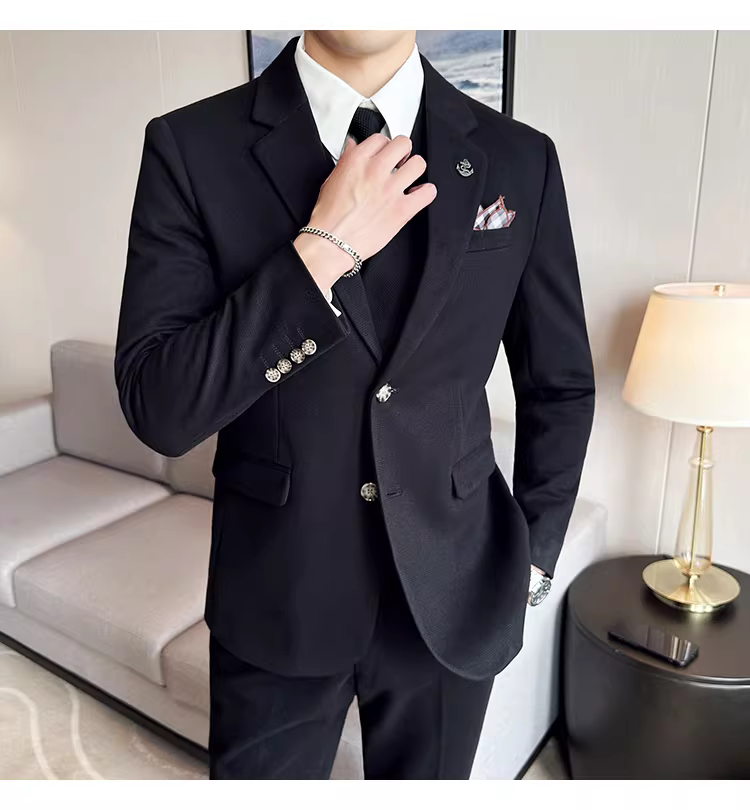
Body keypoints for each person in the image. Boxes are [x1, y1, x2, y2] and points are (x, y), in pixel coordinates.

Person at [115, 30, 595, 780]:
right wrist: (321, 250)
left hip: (457, 588)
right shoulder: (189, 146)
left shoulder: (520, 157)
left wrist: (533, 559)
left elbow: (558, 384)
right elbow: (161, 409)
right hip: (279, 591)